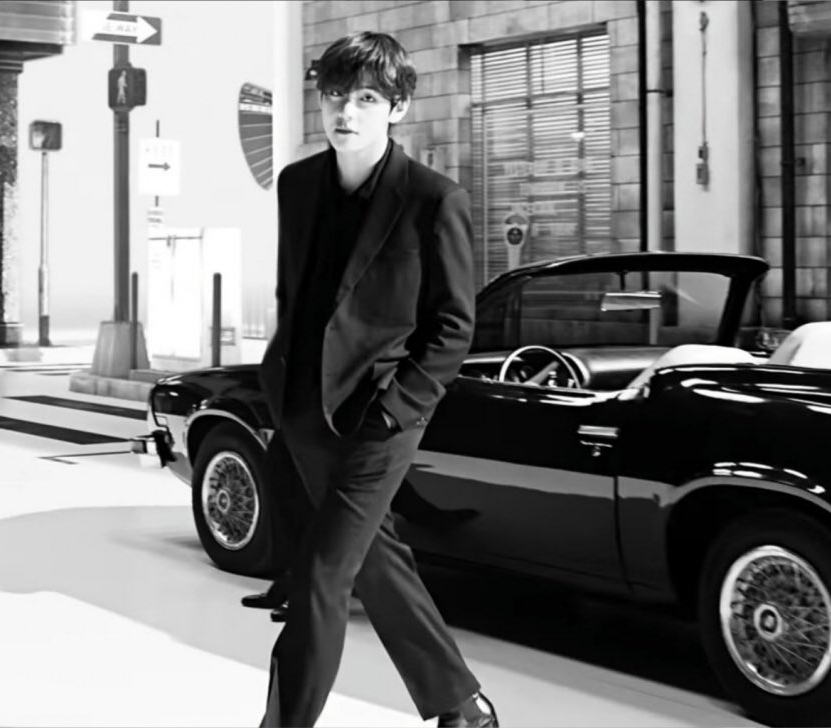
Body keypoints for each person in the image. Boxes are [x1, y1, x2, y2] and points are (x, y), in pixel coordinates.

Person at [251, 30, 498, 728]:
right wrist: (281, 390)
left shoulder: (433, 200)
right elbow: (295, 295)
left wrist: (397, 409)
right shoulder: (298, 185)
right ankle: (462, 706)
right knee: (372, 558)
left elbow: (453, 325)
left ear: (397, 107)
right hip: (306, 409)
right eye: (335, 96)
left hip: (382, 419)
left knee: (322, 574)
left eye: (365, 98)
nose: (345, 112)